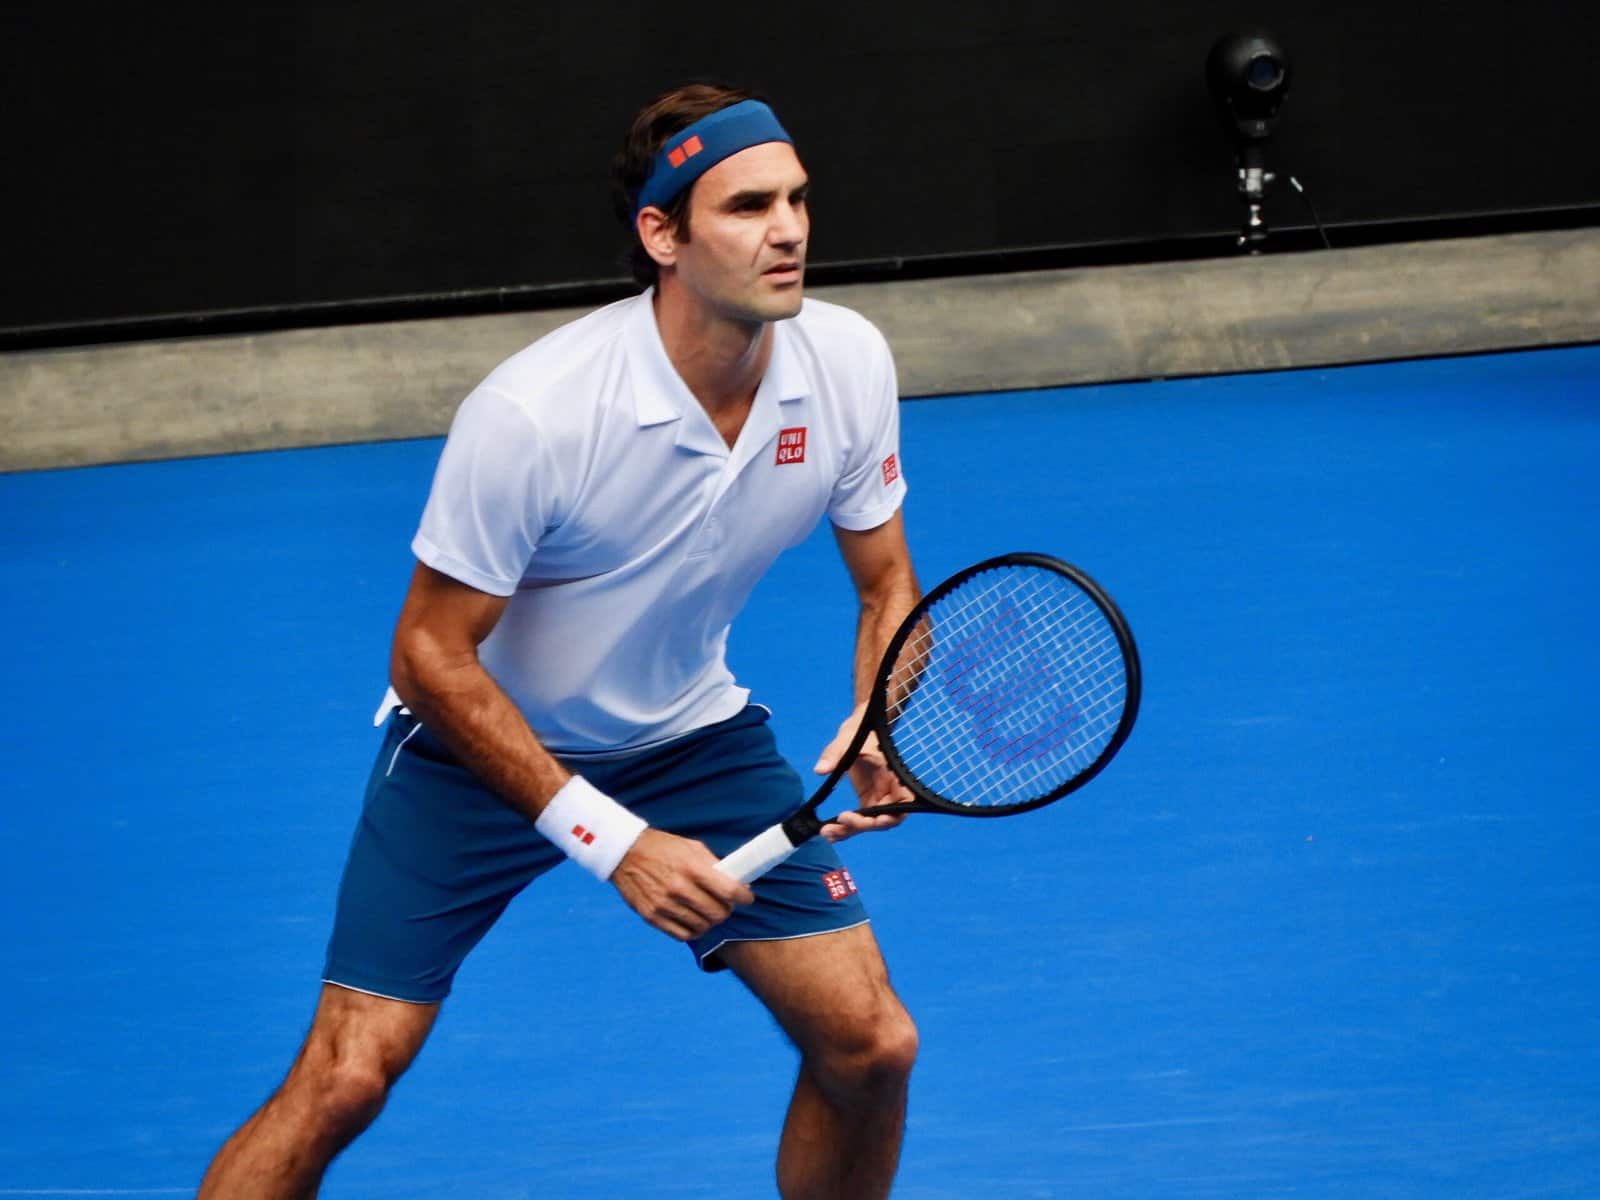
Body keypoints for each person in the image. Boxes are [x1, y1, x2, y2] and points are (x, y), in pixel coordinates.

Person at [198, 82, 922, 1199]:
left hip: (693, 741)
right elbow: (428, 656)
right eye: (744, 207)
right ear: (661, 235)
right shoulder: (536, 413)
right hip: (470, 755)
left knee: (871, 1045)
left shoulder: (848, 364)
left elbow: (886, 590)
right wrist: (615, 843)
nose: (786, 231)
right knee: (348, 1077)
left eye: (796, 199)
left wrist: (879, 715)